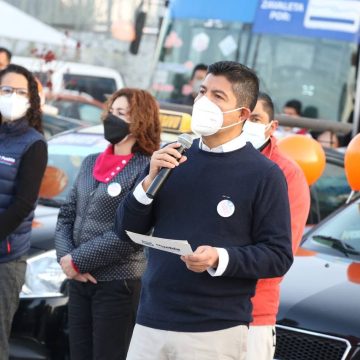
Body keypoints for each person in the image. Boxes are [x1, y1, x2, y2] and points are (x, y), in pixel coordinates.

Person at [115, 61, 293, 360]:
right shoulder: (173, 156)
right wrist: (148, 181)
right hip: (151, 318)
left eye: (218, 96)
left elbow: (278, 255)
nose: (203, 102)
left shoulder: (264, 174)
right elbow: (125, 231)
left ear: (243, 115)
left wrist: (219, 257)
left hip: (213, 329)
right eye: (202, 91)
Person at [54, 88, 161, 360]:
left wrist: (77, 261)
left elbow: (130, 233)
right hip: (79, 280)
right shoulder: (91, 163)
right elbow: (67, 215)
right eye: (112, 112)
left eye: (122, 114)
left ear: (141, 122)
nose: (112, 119)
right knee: (78, 352)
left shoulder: (145, 169)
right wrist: (67, 260)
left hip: (118, 283)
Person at [242, 92, 310, 360]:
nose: (248, 125)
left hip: (253, 314)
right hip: (198, 309)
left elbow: (278, 255)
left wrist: (219, 260)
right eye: (245, 117)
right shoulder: (214, 159)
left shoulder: (287, 174)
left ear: (272, 127)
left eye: (256, 118)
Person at [0, 64, 47, 360]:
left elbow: (23, 203)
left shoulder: (33, 143)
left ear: (30, 99)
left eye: (20, 91)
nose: (12, 97)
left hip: (5, 258)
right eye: (6, 90)